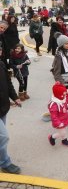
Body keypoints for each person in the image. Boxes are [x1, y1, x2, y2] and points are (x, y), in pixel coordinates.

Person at [0, 44, 22, 174]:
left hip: (3, 108)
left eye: (1, 49)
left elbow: (8, 83)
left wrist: (15, 97)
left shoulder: (1, 64)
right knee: (3, 137)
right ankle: (5, 163)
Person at [48, 82, 68, 147]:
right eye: (64, 95)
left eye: (65, 94)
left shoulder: (62, 99)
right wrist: (58, 123)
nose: (65, 96)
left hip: (65, 118)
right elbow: (54, 116)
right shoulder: (54, 105)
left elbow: (67, 99)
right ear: (59, 95)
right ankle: (52, 137)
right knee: (62, 132)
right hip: (59, 122)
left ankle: (64, 140)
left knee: (64, 130)